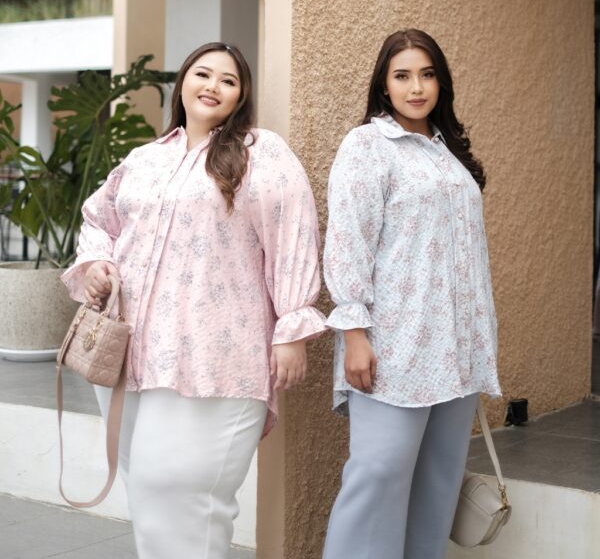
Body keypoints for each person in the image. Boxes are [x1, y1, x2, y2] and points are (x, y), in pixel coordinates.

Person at [61, 42, 326, 559]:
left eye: (228, 80)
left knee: (180, 493)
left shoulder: (261, 153)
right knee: (148, 493)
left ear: (241, 96)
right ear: (182, 83)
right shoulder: (145, 158)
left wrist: (293, 326)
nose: (213, 86)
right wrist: (95, 264)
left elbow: (293, 235)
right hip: (131, 353)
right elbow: (98, 220)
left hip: (217, 356)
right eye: (202, 74)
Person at [321, 29, 502, 559]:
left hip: (457, 348)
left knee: (439, 480)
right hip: (394, 345)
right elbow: (349, 241)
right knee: (379, 472)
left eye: (427, 74)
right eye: (402, 76)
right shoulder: (367, 146)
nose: (416, 87)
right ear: (384, 85)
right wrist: (355, 333)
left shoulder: (448, 152)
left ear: (441, 82)